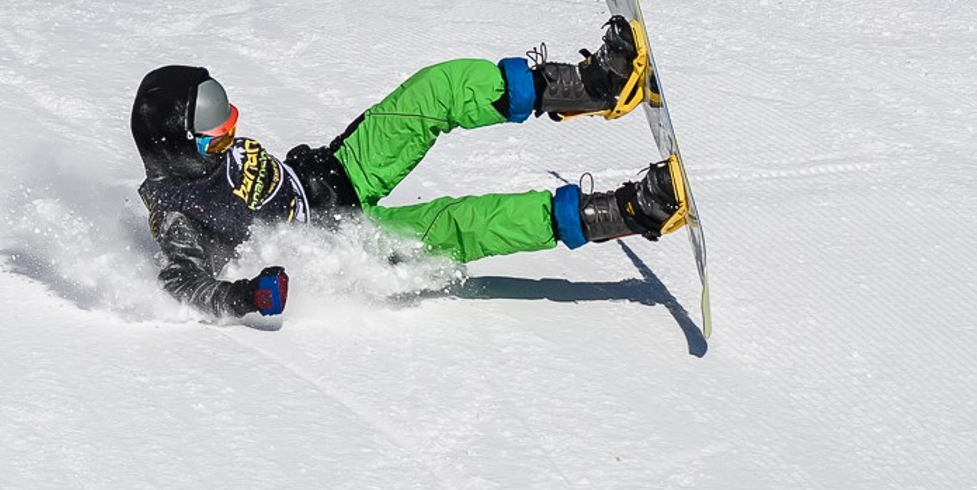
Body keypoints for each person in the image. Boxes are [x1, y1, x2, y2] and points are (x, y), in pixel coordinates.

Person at [130, 19, 685, 320]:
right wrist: (245, 296)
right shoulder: (178, 214)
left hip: (338, 172)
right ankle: (632, 209)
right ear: (177, 143)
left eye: (224, 106)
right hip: (348, 246)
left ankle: (594, 87)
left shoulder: (209, 153)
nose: (231, 123)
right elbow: (181, 282)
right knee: (466, 225)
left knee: (436, 89)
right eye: (215, 123)